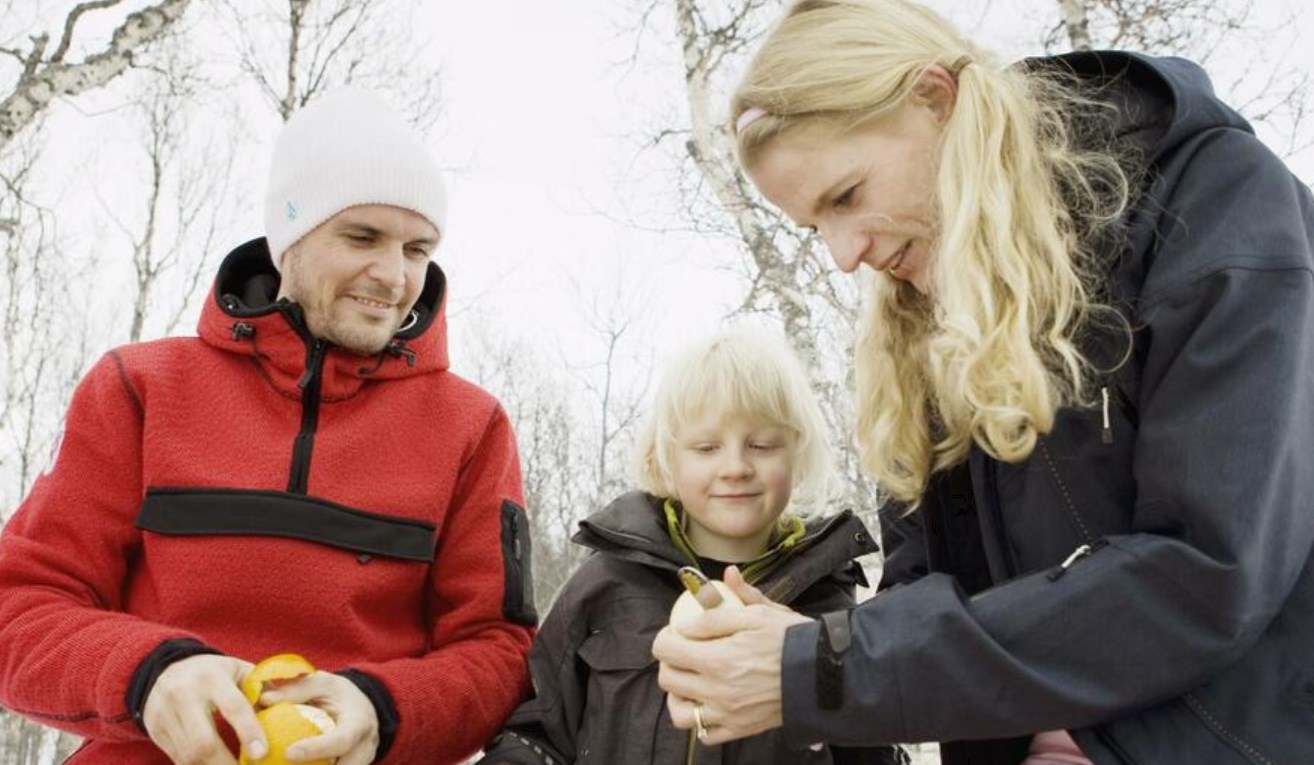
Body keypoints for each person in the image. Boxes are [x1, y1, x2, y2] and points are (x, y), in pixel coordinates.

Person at [650, 1, 1314, 764]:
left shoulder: (1216, 205)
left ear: (935, 99)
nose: (840, 254)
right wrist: (797, 643)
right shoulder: (920, 330)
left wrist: (824, 669)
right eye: (812, 227)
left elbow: (1204, 575)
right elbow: (925, 597)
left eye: (847, 195)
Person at [0, 89, 537, 765]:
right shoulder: (137, 387)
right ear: (289, 237)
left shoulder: (471, 426)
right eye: (362, 236)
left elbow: (501, 650)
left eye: (418, 248)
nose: (395, 275)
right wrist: (148, 672)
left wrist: (382, 710)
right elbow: (21, 604)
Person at [476, 327, 906, 765]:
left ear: (797, 453)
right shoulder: (606, 582)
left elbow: (872, 745)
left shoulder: (831, 605)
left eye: (761, 445)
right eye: (707, 447)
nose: (735, 467)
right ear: (666, 456)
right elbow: (538, 731)